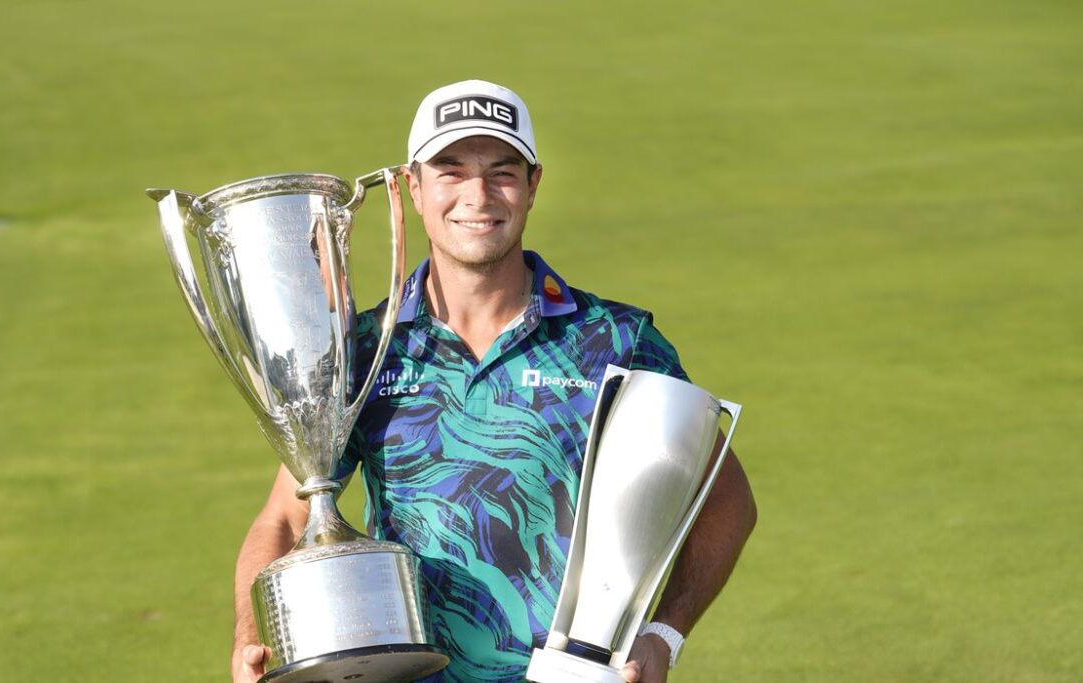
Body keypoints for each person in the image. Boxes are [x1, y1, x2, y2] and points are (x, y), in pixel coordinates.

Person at [232, 80, 757, 683]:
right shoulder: (365, 351)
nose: (477, 196)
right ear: (413, 187)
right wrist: (252, 638)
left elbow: (726, 498)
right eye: (451, 172)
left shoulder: (614, 339)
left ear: (533, 185)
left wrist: (663, 634)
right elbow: (286, 517)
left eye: (501, 172)